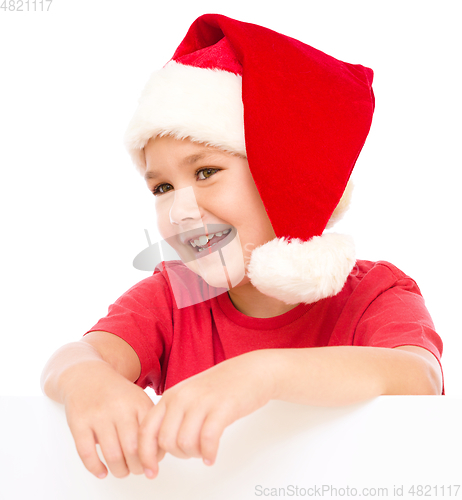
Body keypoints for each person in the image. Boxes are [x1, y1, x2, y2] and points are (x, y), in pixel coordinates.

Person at [40, 13, 444, 481]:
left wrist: (263, 374)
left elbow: (419, 378)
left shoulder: (375, 293)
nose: (180, 210)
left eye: (206, 172)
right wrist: (83, 379)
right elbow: (76, 356)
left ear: (284, 177)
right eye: (162, 188)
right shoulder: (175, 295)